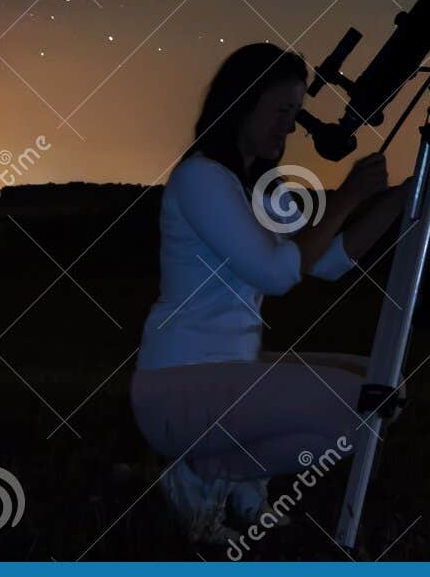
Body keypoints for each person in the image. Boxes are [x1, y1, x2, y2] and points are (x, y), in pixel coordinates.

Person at [131, 42, 406, 545]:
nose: (290, 127)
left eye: (296, 114)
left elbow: (329, 261)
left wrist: (398, 200)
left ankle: (219, 474)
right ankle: (202, 475)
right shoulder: (201, 179)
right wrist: (347, 197)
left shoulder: (259, 189)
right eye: (282, 112)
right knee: (362, 405)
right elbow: (276, 274)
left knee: (385, 386)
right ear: (241, 105)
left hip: (229, 376)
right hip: (177, 386)